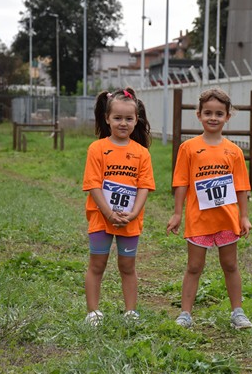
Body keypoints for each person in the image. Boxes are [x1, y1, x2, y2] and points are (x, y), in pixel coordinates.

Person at [166, 87, 252, 330]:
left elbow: (241, 187)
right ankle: (185, 314)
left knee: (231, 265)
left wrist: (243, 216)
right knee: (194, 267)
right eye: (207, 113)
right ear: (199, 115)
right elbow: (181, 183)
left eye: (218, 113)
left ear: (227, 116)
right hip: (198, 220)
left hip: (227, 219)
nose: (213, 118)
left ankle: (238, 312)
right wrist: (177, 213)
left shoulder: (234, 151)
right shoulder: (189, 148)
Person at [82, 88, 155, 326]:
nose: (123, 123)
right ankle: (93, 313)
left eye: (128, 118)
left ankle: (130, 312)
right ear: (107, 119)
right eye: (117, 118)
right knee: (97, 265)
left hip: (129, 220)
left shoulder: (142, 153)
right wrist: (108, 213)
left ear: (136, 120)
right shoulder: (97, 149)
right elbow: (93, 184)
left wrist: (133, 214)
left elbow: (144, 186)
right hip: (101, 218)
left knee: (127, 266)